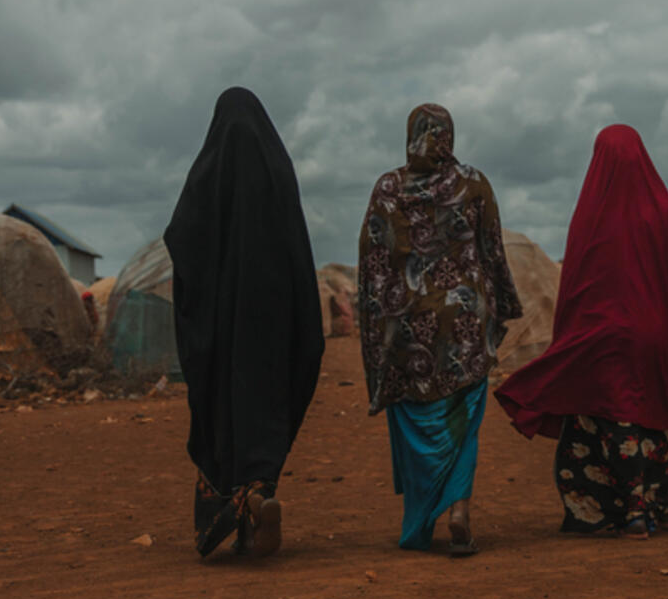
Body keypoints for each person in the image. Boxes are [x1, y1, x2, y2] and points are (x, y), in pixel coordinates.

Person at [495, 124, 668, 538]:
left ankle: (616, 512)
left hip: (601, 339)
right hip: (654, 340)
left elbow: (575, 288)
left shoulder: (591, 213)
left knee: (604, 419)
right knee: (648, 419)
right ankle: (653, 505)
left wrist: (570, 339)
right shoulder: (661, 211)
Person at [164, 87, 324, 559]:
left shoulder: (207, 177)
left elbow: (180, 238)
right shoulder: (277, 172)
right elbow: (298, 249)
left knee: (221, 414)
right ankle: (258, 492)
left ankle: (243, 504)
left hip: (217, 331)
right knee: (265, 409)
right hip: (272, 326)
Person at [357, 103, 522, 555]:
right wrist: (501, 306)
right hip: (465, 329)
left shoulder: (387, 188)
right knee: (463, 424)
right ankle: (459, 510)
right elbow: (493, 251)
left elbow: (373, 263)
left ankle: (423, 520)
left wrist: (378, 329)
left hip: (409, 331)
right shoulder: (473, 183)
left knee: (417, 427)